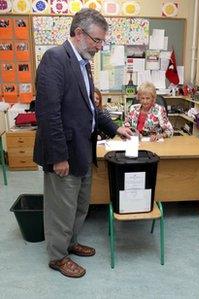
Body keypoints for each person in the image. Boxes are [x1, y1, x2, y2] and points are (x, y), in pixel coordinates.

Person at [33, 8, 132, 278]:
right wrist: (58, 157)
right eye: (96, 40)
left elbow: (91, 108)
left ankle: (70, 242)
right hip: (64, 152)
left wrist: (114, 128)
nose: (100, 46)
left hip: (83, 149)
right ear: (79, 33)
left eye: (102, 41)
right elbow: (48, 113)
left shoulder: (83, 63)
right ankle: (57, 256)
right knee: (60, 209)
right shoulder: (55, 58)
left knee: (79, 205)